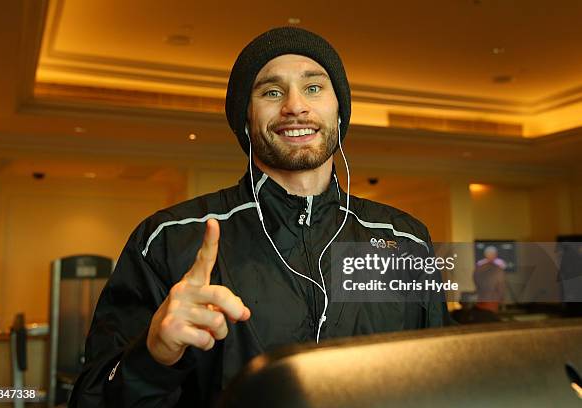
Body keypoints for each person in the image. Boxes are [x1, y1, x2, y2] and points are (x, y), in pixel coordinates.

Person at [70, 27, 449, 408]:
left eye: (314, 88)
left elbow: (442, 383)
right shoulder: (168, 239)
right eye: (271, 91)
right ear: (245, 118)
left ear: (340, 109)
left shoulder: (404, 239)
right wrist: (152, 357)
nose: (295, 106)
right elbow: (91, 399)